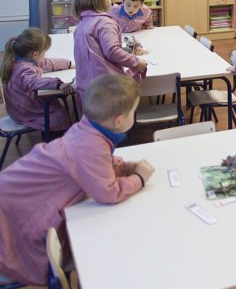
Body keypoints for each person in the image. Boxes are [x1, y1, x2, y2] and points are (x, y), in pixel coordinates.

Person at [0, 74, 155, 286]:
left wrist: (123, 166)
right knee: (16, 247)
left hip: (13, 192)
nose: (133, 117)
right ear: (119, 120)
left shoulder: (88, 126)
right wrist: (139, 179)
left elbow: (95, 163)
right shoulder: (91, 145)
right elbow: (107, 193)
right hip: (17, 208)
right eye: (133, 112)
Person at [73, 0, 147, 105]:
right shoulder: (105, 23)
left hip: (87, 87)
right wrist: (136, 63)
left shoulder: (82, 24)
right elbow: (113, 51)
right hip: (107, 88)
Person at [0, 28, 74, 133]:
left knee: (54, 101)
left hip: (18, 107)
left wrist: (69, 64)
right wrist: (58, 84)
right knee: (60, 116)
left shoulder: (19, 59)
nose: (45, 56)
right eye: (44, 53)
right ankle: (57, 140)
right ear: (35, 55)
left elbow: (47, 62)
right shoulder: (25, 70)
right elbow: (34, 82)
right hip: (25, 112)